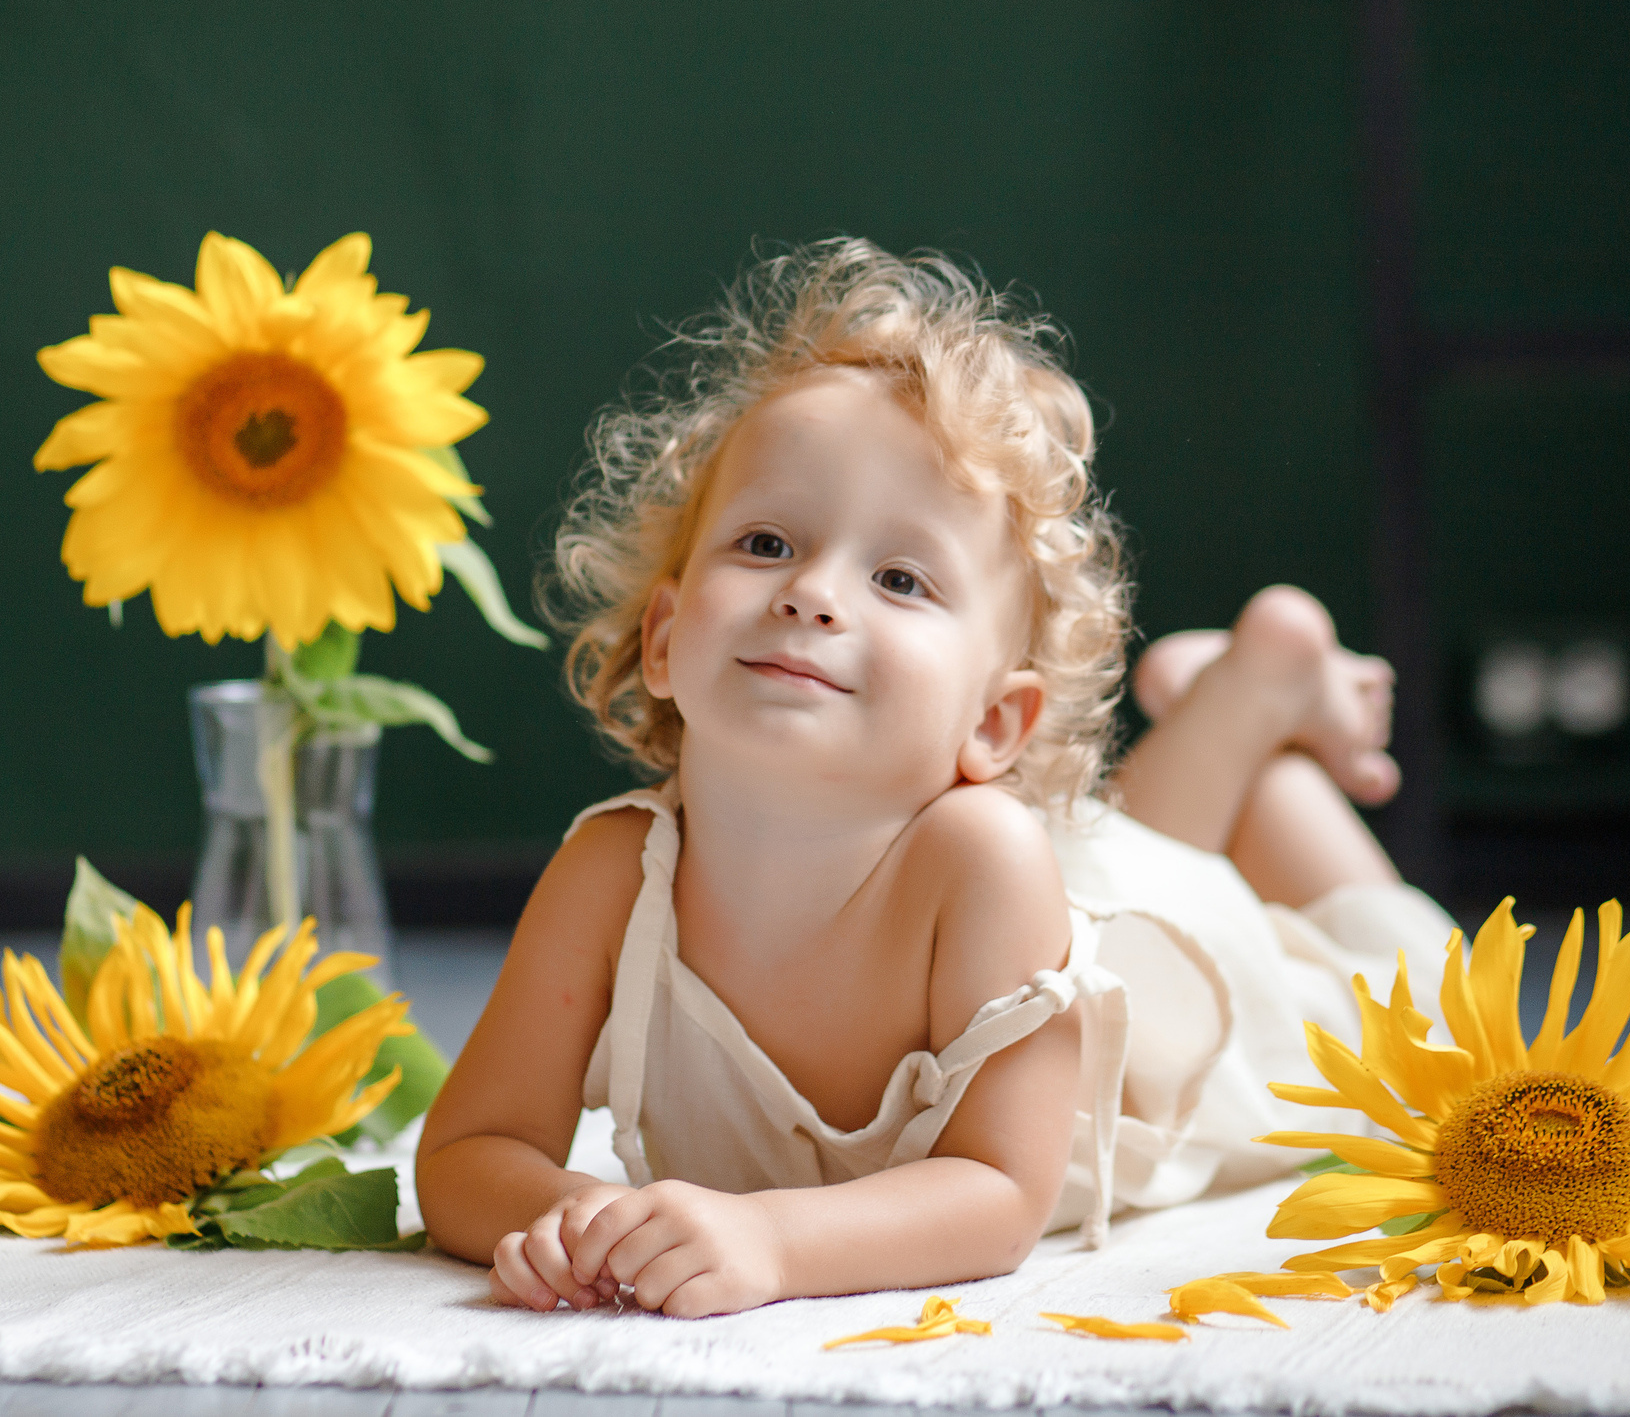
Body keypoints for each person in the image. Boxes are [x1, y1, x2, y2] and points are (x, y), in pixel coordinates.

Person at [415, 239, 1455, 1319]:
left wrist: (767, 1240)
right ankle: (1242, 704)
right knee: (1117, 846)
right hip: (1095, 880)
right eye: (766, 541)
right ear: (667, 637)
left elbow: (999, 1194)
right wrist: (576, 1218)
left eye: (900, 578)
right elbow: (469, 1150)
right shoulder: (611, 868)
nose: (813, 593)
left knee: (1414, 1003)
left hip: (1240, 1009)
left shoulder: (982, 856)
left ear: (994, 721)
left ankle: (1259, 725)